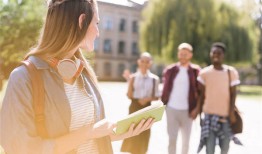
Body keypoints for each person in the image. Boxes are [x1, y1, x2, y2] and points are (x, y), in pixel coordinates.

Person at [0, 0, 155, 154]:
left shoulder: (84, 72)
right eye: (97, 23)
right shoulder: (23, 78)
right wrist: (89, 132)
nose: (98, 32)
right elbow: (18, 148)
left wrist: (115, 133)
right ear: (82, 21)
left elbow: (88, 137)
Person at [197, 42, 241, 154]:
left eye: (219, 53)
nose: (216, 55)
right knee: (209, 149)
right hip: (209, 116)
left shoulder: (231, 72)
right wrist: (198, 114)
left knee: (225, 148)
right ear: (210, 54)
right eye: (214, 52)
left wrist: (231, 112)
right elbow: (201, 96)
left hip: (225, 117)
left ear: (223, 55)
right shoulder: (204, 73)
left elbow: (233, 94)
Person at [161, 43, 200, 154]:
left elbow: (200, 92)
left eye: (185, 54)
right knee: (172, 139)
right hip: (171, 109)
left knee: (186, 141)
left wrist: (196, 109)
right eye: (181, 54)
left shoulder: (195, 71)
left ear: (190, 55)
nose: (183, 56)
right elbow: (165, 89)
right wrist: (163, 104)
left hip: (188, 111)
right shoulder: (170, 70)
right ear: (178, 54)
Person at [121, 52, 161, 154]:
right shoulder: (133, 77)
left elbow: (157, 96)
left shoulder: (154, 79)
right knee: (132, 132)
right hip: (134, 106)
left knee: (144, 133)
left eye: (147, 62)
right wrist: (129, 83)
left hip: (147, 107)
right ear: (139, 62)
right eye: (142, 61)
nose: (144, 64)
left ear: (150, 63)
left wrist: (147, 99)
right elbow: (128, 95)